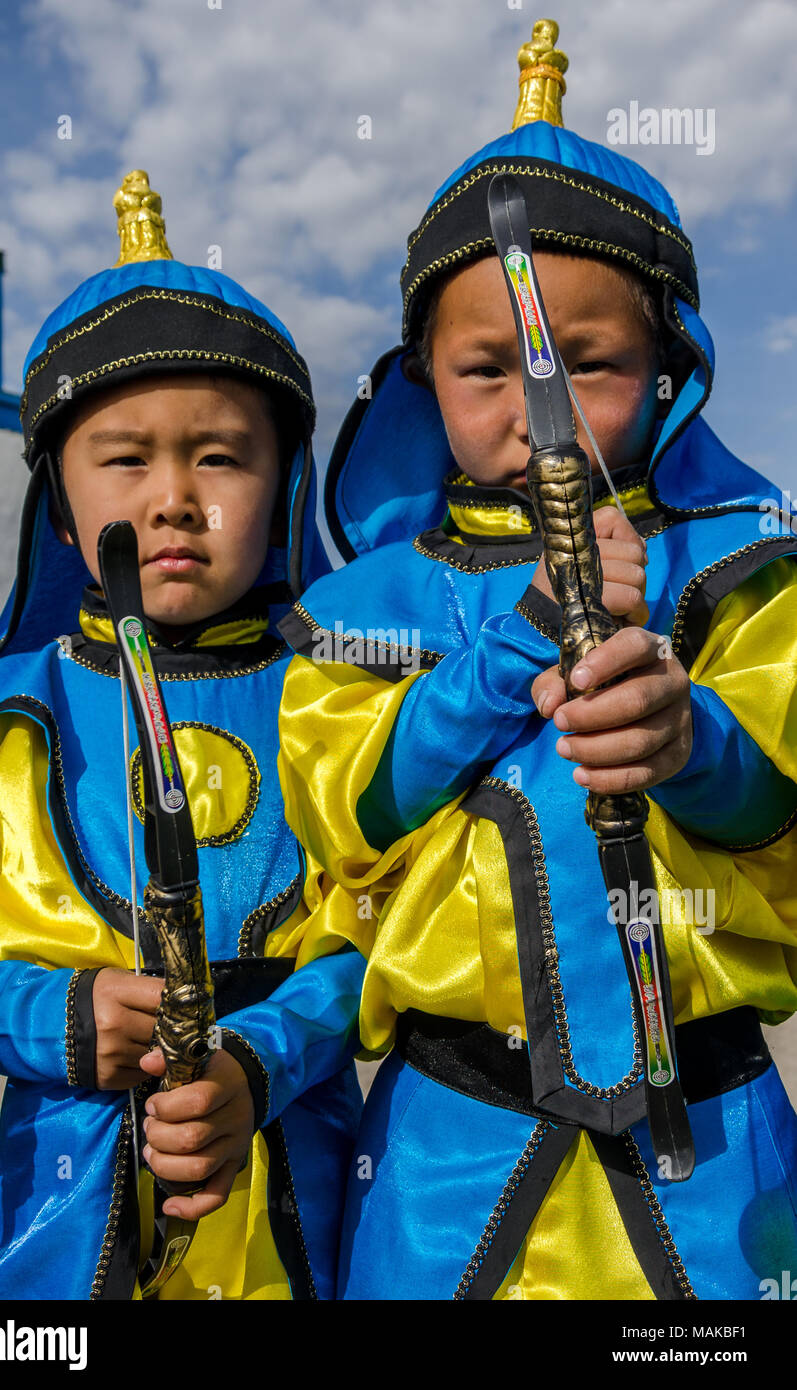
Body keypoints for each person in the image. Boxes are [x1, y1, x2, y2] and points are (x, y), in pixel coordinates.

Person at [277, 21, 797, 1299]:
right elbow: (352, 804)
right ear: (421, 380)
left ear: (671, 370)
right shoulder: (367, 602)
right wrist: (512, 646)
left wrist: (691, 742)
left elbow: (780, 793)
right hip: (447, 1143)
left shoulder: (741, 570)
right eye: (486, 368)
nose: (535, 405)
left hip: (715, 1133)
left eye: (593, 364)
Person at [0, 170, 364, 1300]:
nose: (175, 495)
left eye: (222, 455)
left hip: (302, 1215)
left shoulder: (342, 704)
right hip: (60, 1230)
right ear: (61, 504)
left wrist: (264, 1057)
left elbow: (385, 934)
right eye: (124, 457)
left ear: (284, 485)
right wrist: (52, 1015)